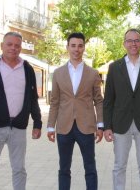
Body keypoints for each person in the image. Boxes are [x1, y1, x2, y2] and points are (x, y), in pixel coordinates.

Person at [0, 32, 42, 190]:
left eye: (17, 45)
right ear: (2, 46)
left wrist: (37, 123)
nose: (13, 48)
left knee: (19, 169)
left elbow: (33, 98)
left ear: (20, 48)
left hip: (18, 128)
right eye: (9, 44)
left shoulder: (27, 69)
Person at [103, 28, 140, 190]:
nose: (133, 44)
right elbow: (108, 99)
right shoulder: (115, 67)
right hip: (121, 123)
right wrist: (107, 126)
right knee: (119, 166)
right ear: (124, 44)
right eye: (130, 41)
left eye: (136, 40)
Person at [47, 32, 104, 190]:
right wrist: (51, 126)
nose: (76, 49)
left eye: (80, 46)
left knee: (90, 168)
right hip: (64, 127)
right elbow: (55, 101)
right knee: (64, 168)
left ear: (84, 48)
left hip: (86, 126)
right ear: (67, 48)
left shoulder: (93, 73)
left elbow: (99, 100)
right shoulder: (58, 73)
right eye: (73, 46)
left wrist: (100, 125)